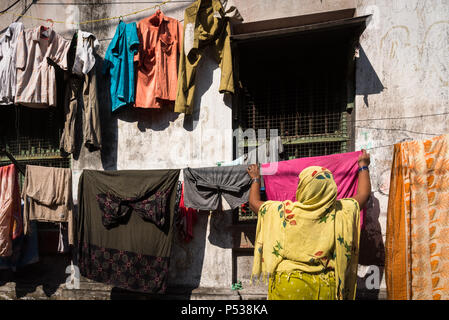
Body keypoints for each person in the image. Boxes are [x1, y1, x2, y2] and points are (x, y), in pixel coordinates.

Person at [247, 150, 371, 300]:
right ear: (331, 188)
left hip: (289, 284)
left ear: (303, 188)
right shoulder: (340, 211)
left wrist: (255, 179)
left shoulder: (285, 211)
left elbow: (254, 204)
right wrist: (363, 166)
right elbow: (363, 195)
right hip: (325, 286)